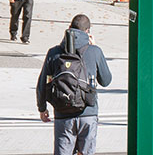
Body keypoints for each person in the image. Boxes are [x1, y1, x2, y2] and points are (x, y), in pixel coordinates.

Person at [36, 14, 112, 155]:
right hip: (88, 112)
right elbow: (106, 81)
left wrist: (42, 108)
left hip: (62, 113)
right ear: (88, 32)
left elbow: (42, 83)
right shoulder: (95, 51)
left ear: (69, 29)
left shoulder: (54, 53)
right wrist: (95, 49)